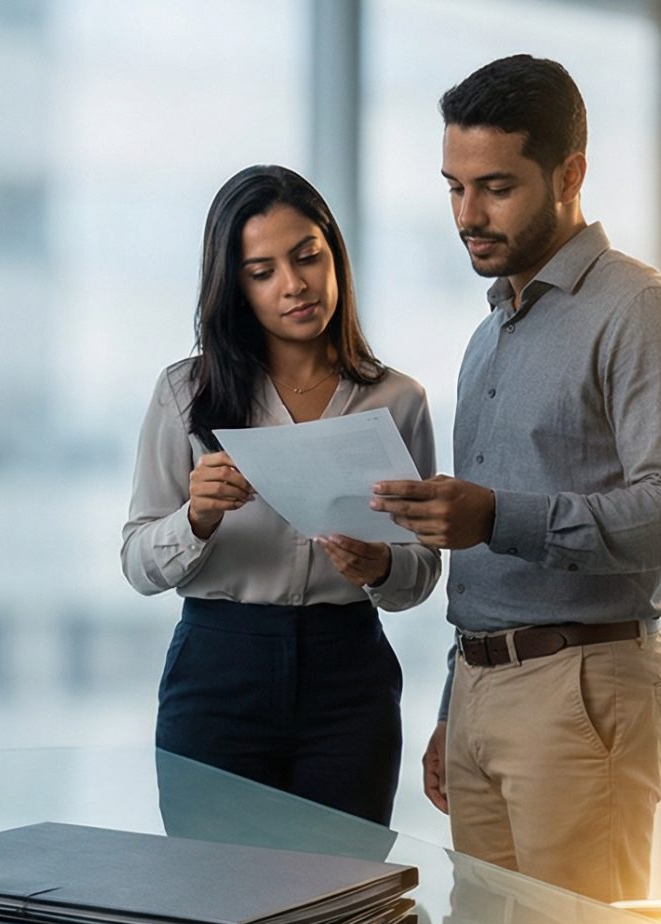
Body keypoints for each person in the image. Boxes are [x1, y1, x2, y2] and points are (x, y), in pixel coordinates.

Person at [370, 56, 661, 904]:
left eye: (495, 187)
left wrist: (497, 515)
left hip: (583, 685)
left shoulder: (642, 313)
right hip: (485, 685)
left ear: (570, 175)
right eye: (453, 187)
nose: (467, 215)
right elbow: (484, 554)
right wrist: (460, 703)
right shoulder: (490, 334)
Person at [122, 164, 441, 826]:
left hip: (348, 675)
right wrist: (197, 517)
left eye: (306, 258)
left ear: (334, 257)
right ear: (235, 287)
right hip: (219, 670)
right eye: (262, 271)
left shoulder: (397, 399)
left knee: (341, 895)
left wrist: (380, 565)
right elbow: (136, 563)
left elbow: (420, 574)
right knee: (214, 899)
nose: (294, 285)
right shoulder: (186, 393)